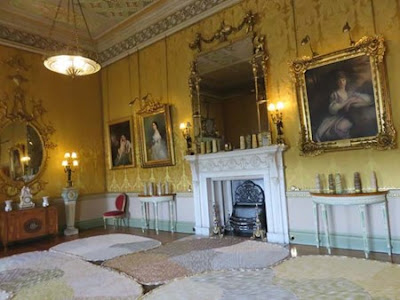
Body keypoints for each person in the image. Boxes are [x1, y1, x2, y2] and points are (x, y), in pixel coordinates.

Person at [315, 71, 374, 142]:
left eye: (343, 80)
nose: (341, 82)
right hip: (338, 117)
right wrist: (347, 102)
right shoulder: (335, 94)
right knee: (337, 129)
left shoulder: (349, 93)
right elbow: (332, 109)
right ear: (336, 82)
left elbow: (369, 99)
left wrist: (352, 101)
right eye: (339, 80)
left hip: (350, 116)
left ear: (346, 81)